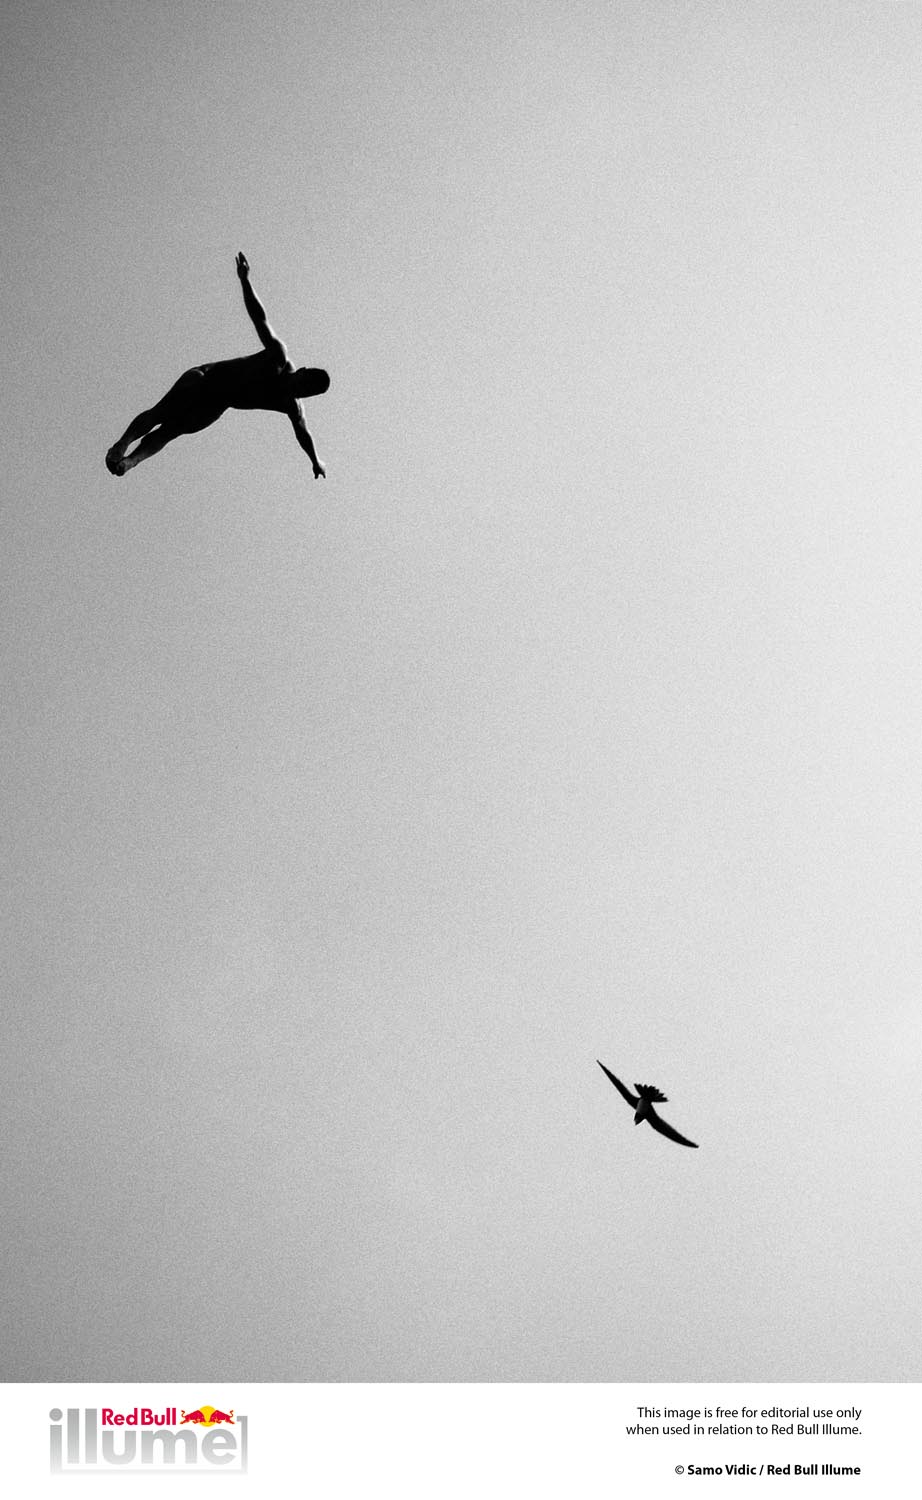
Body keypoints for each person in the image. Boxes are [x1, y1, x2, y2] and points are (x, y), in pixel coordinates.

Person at [106, 253, 328, 478]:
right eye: (303, 384)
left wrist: (315, 460)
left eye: (305, 393)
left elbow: (303, 435)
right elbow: (260, 319)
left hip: (214, 406)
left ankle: (130, 462)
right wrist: (245, 280)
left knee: (170, 431)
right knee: (161, 413)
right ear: (301, 371)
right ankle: (122, 446)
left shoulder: (291, 406)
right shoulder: (277, 358)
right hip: (206, 378)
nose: (299, 391)